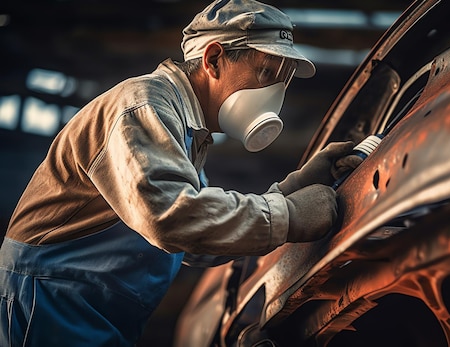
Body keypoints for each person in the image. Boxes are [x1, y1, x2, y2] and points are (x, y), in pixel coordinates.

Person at [0, 0, 363, 345]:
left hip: (88, 306)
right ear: (214, 58)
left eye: (282, 81)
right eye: (266, 72)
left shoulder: (187, 131)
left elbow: (196, 242)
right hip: (50, 299)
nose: (273, 93)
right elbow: (172, 218)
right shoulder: (143, 106)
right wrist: (291, 215)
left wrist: (291, 189)